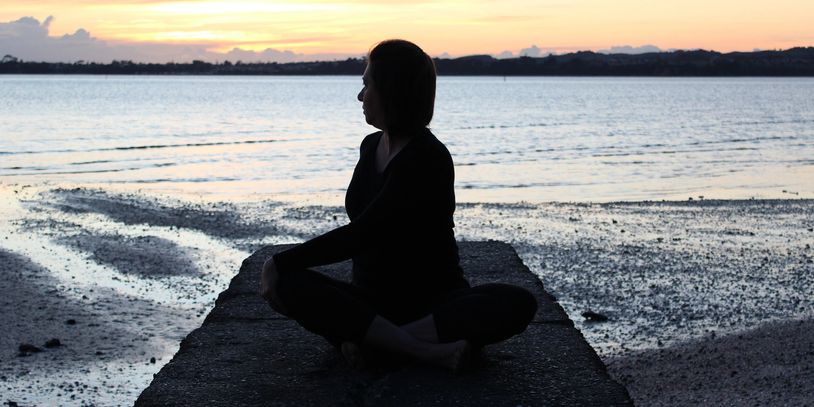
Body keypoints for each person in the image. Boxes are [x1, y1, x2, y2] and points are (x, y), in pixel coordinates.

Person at [259, 39, 537, 372]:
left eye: (367, 84)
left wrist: (280, 259)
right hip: (369, 302)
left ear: (391, 90)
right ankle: (412, 348)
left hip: (432, 305)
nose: (360, 96)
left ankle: (384, 345)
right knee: (290, 284)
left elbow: (363, 233)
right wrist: (284, 269)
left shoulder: (427, 157)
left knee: (517, 303)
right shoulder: (370, 146)